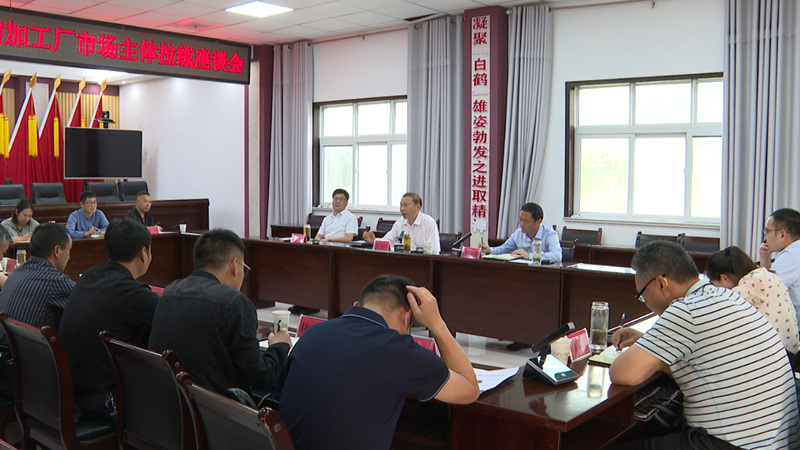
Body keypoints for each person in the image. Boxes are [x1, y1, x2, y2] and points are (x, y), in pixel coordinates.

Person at [610, 241, 799, 449]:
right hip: (776, 440)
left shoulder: (686, 310)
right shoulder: (727, 295)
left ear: (662, 284)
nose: (645, 302)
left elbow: (622, 373)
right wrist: (652, 346)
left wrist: (656, 357)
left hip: (733, 444)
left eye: (642, 295)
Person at [277, 275, 479, 450]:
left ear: (358, 305)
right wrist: (436, 323)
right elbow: (470, 388)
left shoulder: (314, 332)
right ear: (407, 315)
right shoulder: (401, 352)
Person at [148, 229, 291, 395]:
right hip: (215, 407)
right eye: (244, 268)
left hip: (169, 399)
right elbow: (261, 378)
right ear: (235, 265)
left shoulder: (169, 293)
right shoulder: (234, 302)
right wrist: (279, 346)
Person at [59, 219, 159, 419]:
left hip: (67, 390)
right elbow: (169, 324)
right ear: (143, 253)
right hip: (99, 401)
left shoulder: (90, 275)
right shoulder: (134, 294)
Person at [706, 246, 800, 354]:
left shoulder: (751, 283)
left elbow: (718, 307)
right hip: (789, 349)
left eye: (714, 284)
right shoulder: (767, 275)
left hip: (778, 353)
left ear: (724, 278)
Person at [0, 223, 73, 338]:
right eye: (69, 250)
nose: (69, 256)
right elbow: (87, 307)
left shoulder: (17, 272)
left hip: (10, 346)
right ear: (57, 251)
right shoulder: (55, 281)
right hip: (32, 348)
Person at [479, 202, 561, 262]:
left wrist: (529, 256)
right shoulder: (518, 233)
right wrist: (490, 250)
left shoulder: (550, 234)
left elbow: (557, 256)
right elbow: (504, 249)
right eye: (520, 220)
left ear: (538, 221)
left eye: (525, 221)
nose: (521, 224)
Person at [362, 193, 441, 254]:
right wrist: (374, 240)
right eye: (401, 205)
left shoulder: (429, 223)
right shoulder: (400, 222)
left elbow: (434, 251)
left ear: (418, 207)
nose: (402, 209)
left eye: (406, 205)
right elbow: (388, 241)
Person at [760, 208, 800, 326]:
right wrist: (765, 258)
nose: (765, 238)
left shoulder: (791, 255)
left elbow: (765, 289)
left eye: (767, 232)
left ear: (782, 234)